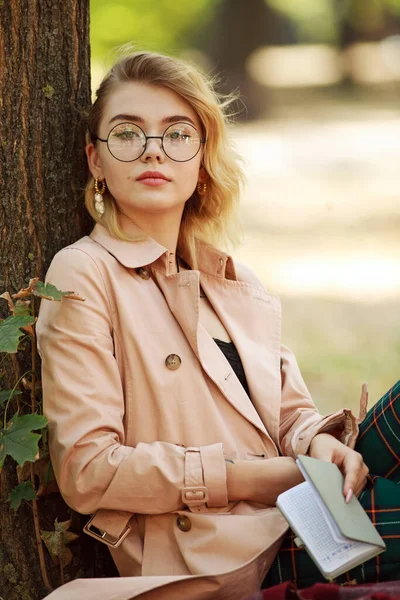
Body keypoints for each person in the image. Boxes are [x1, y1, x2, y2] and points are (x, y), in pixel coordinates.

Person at [36, 50, 400, 600]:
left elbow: (291, 414)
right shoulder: (85, 272)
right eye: (128, 133)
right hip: (225, 550)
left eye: (177, 133)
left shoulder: (230, 276)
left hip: (300, 502)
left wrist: (318, 445)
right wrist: (265, 477)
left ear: (202, 156)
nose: (153, 150)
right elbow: (88, 469)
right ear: (95, 159)